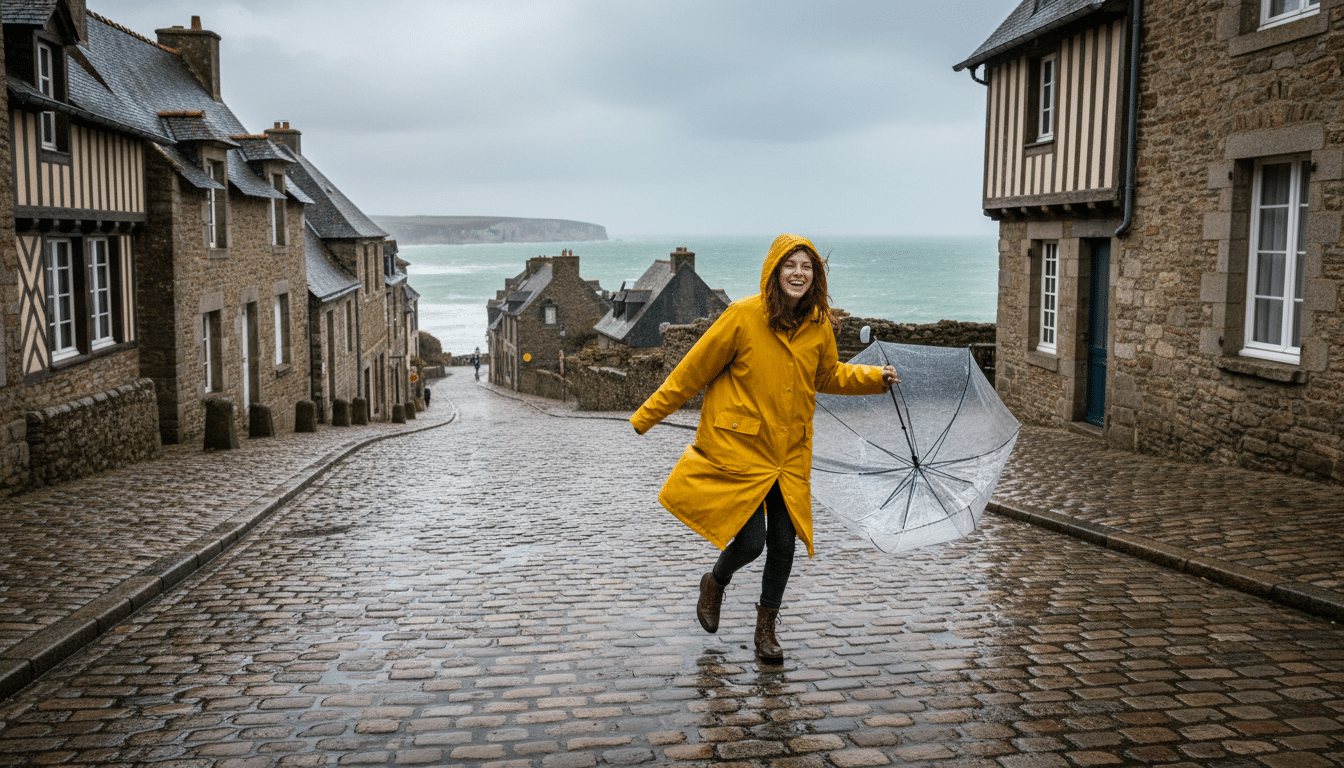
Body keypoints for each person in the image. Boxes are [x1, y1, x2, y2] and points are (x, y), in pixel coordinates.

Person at [631, 234, 898, 663]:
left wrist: (873, 378)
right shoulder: (742, 316)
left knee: (785, 545)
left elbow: (825, 375)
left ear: (816, 276)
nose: (798, 273)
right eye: (790, 265)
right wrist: (647, 416)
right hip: (743, 449)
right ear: (774, 270)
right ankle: (715, 582)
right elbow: (691, 372)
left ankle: (766, 630)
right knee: (753, 541)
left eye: (807, 267)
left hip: (790, 453)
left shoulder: (819, 324)